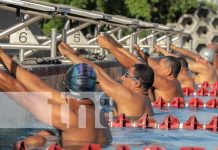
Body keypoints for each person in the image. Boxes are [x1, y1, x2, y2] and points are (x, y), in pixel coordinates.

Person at [0, 48, 112, 149]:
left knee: (32, 141)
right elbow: (38, 86)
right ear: (94, 87)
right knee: (47, 134)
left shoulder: (68, 116)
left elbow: (16, 89)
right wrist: (2, 55)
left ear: (66, 85)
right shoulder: (97, 113)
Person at [58, 42, 154, 118]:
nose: (122, 77)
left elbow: (96, 74)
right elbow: (102, 74)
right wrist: (76, 55)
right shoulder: (146, 99)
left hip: (125, 136)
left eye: (126, 75)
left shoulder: (128, 96)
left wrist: (67, 53)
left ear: (137, 83)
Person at [96, 35, 183, 102]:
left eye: (159, 66)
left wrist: (110, 47)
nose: (156, 68)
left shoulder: (165, 83)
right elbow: (140, 64)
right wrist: (115, 44)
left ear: (168, 71)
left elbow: (133, 66)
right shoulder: (175, 83)